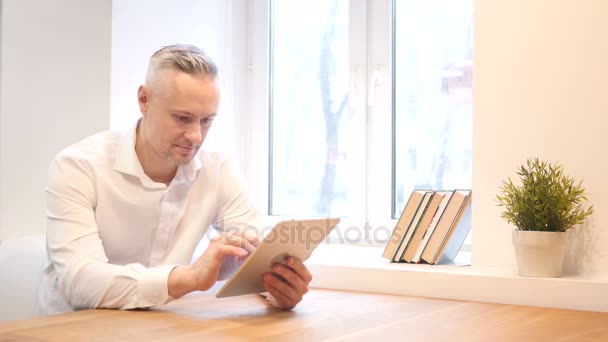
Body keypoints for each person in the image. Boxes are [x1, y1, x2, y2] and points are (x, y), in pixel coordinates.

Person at [39, 44, 312, 314]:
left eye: (206, 121)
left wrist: (277, 287)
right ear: (144, 100)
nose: (195, 136)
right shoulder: (78, 167)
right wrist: (190, 278)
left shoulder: (217, 169)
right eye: (183, 118)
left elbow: (258, 252)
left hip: (163, 329)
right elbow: (80, 283)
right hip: (74, 331)